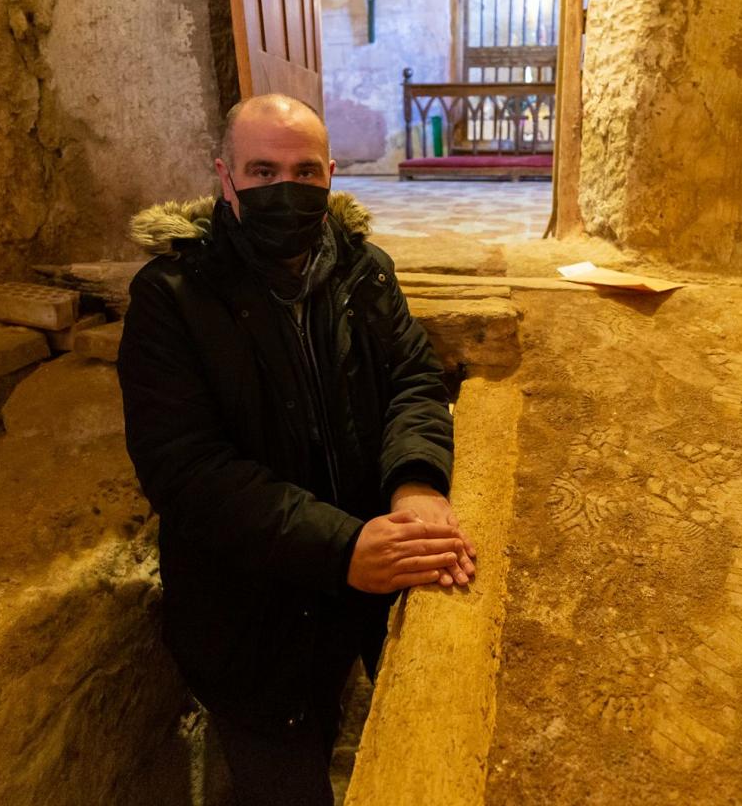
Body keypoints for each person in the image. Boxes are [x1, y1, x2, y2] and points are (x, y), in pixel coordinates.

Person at [116, 94, 476, 805]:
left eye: (305, 171)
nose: (286, 188)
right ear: (226, 179)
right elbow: (186, 470)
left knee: (360, 718)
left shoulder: (363, 270)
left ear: (332, 176)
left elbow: (411, 379)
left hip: (354, 587)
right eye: (262, 170)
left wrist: (416, 484)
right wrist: (342, 548)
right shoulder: (173, 297)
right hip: (249, 617)